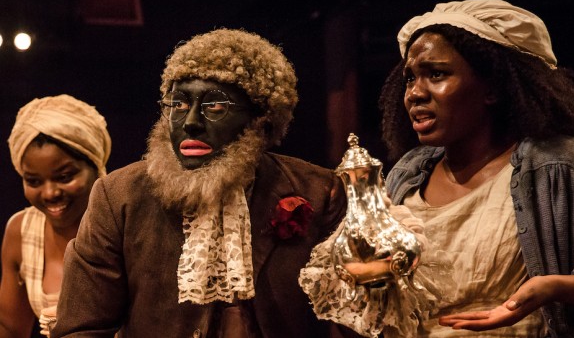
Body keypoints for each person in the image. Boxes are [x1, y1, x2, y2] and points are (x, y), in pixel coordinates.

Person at [51, 28, 362, 338]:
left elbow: (356, 319)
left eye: (215, 105)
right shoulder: (119, 196)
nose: (191, 122)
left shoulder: (318, 191)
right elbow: (81, 329)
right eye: (178, 104)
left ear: (259, 117)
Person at [376, 0, 574, 336]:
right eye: (409, 78)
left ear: (492, 87)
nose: (415, 93)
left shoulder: (570, 168)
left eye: (436, 74)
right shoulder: (405, 177)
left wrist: (560, 288)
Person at [0, 94, 112, 338]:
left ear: (96, 166)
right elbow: (9, 328)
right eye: (34, 181)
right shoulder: (21, 231)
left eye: (65, 177)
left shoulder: (125, 226)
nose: (50, 193)